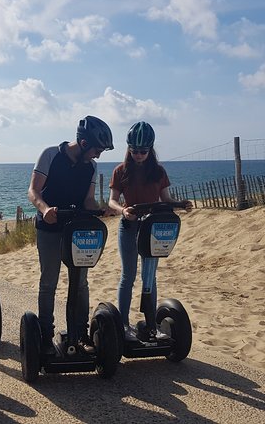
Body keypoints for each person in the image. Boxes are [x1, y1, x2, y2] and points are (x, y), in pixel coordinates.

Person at [27, 115, 114, 355]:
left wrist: (98, 208)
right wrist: (45, 210)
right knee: (49, 282)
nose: (99, 155)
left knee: (81, 283)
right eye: (98, 149)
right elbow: (33, 191)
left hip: (77, 230)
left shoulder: (91, 167)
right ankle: (45, 334)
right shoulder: (50, 155)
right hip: (50, 227)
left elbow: (87, 199)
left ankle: (80, 332)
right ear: (85, 143)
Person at [107, 121, 192, 341]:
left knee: (150, 277)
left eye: (143, 151)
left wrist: (181, 204)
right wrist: (123, 211)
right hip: (130, 226)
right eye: (134, 151)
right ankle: (124, 325)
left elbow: (166, 200)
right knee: (128, 275)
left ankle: (152, 324)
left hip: (152, 228)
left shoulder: (158, 171)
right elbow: (112, 201)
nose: (138, 155)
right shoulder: (120, 171)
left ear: (150, 150)